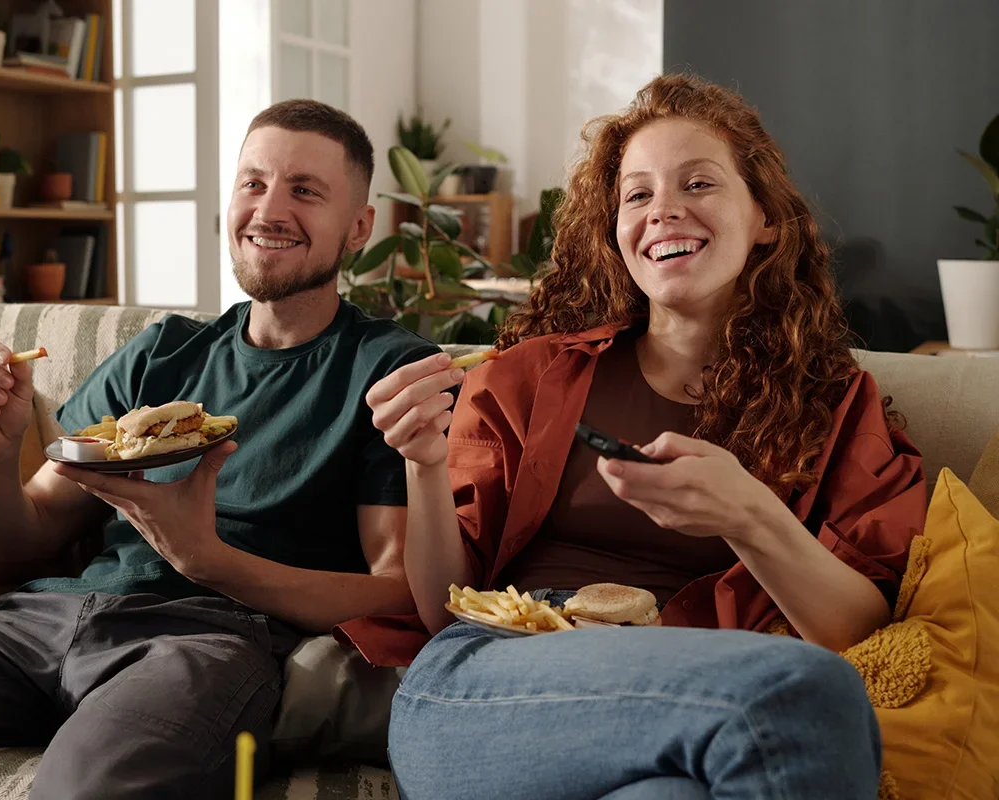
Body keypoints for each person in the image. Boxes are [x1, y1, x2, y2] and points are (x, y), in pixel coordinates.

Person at [0, 99, 441, 800]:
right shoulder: (161, 355)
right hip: (34, 623)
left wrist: (210, 562)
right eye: (252, 183)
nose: (269, 210)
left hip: (202, 645)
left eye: (305, 190)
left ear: (359, 228)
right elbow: (13, 549)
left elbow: (398, 594)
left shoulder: (390, 375)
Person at [360, 74, 926, 799]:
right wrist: (423, 464)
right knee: (808, 693)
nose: (664, 211)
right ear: (615, 230)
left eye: (698, 184)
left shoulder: (835, 405)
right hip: (485, 685)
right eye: (637, 194)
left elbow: (857, 627)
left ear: (766, 220)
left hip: (695, 695)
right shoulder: (528, 376)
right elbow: (443, 609)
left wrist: (748, 515)